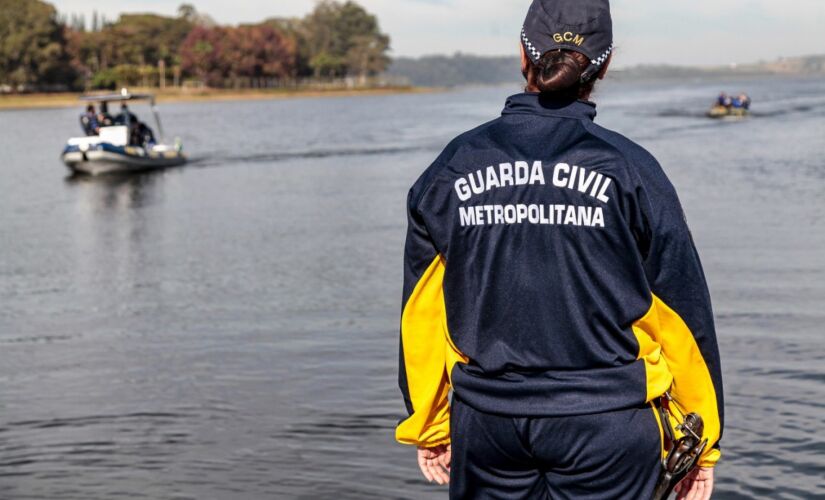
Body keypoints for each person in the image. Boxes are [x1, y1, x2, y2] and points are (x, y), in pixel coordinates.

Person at [396, 1, 723, 499]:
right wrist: (701, 441)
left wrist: (430, 421)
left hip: (488, 423)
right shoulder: (631, 170)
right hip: (608, 426)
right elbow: (682, 312)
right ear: (605, 65)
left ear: (521, 56)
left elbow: (422, 310)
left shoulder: (455, 166)